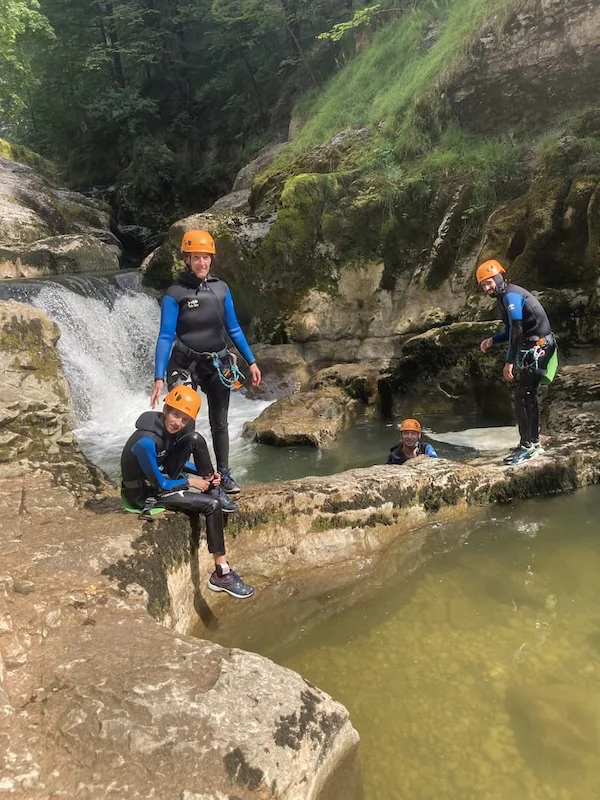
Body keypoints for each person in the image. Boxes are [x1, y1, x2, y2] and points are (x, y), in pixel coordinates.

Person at [150, 229, 262, 495]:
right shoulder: (175, 293)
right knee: (184, 422)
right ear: (187, 259)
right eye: (196, 257)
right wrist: (158, 377)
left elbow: (233, 329)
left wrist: (251, 361)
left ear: (212, 259)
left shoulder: (221, 289)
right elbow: (165, 336)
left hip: (217, 364)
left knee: (219, 422)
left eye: (206, 257)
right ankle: (181, 475)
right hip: (184, 364)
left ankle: (223, 474)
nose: (202, 263)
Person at [121, 385, 254, 599]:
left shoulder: (167, 432)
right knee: (212, 506)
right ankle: (222, 573)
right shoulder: (146, 442)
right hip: (146, 494)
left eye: (184, 420)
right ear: (165, 409)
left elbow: (168, 461)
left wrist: (206, 475)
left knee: (194, 439)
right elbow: (161, 484)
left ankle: (214, 487)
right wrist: (191, 482)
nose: (178, 423)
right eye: (175, 415)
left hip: (158, 481)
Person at [477, 258, 558, 465]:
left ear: (499, 277)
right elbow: (513, 329)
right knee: (527, 395)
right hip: (538, 346)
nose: (487, 288)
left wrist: (509, 361)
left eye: (489, 282)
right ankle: (533, 443)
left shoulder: (511, 295)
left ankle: (527, 446)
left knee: (523, 395)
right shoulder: (504, 297)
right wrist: (493, 340)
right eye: (483, 285)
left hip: (540, 347)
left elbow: (518, 330)